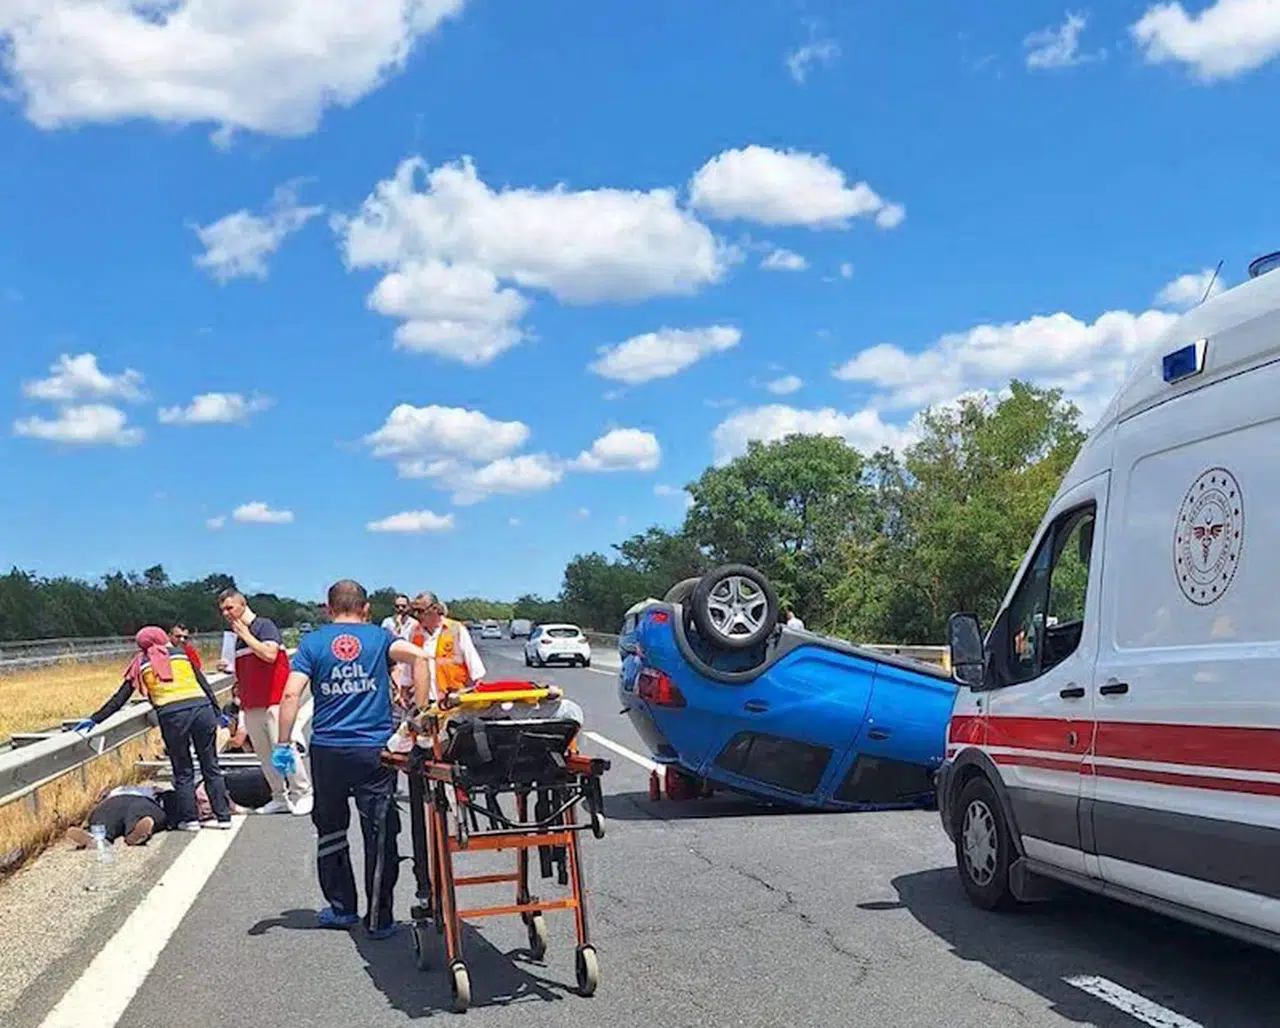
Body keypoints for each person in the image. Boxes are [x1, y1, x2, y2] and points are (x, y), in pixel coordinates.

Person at [275, 578, 429, 937]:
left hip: (327, 749)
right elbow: (420, 657)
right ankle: (379, 918)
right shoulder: (380, 638)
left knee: (330, 830)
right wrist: (419, 715)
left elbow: (290, 696)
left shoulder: (312, 643)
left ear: (329, 610)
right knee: (379, 832)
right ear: (366, 608)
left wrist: (283, 743)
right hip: (374, 750)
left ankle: (343, 908)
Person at [71, 627, 233, 832]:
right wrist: (217, 713)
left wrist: (95, 719)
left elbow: (120, 699)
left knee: (183, 769)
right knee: (210, 765)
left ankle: (190, 820)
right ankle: (223, 817)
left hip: (173, 716)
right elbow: (203, 684)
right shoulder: (181, 655)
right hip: (202, 710)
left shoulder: (140, 663)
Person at [218, 588, 313, 816]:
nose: (226, 613)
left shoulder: (263, 626)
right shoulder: (237, 638)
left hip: (274, 701)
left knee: (284, 748)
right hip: (251, 703)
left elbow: (269, 654)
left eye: (230, 607)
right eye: (222, 610)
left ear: (243, 604)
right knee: (264, 755)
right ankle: (279, 796)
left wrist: (247, 636)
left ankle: (302, 792)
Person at [409, 591, 486, 704]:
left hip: (452, 698)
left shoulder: (456, 629)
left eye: (420, 611)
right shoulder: (414, 633)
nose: (416, 616)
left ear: (435, 609)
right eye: (414, 611)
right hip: (424, 700)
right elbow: (408, 666)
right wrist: (404, 689)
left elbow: (473, 663)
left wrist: (477, 687)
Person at [380, 594, 419, 721]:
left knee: (409, 700)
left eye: (403, 606)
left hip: (408, 665)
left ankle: (409, 723)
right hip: (392, 666)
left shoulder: (414, 624)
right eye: (397, 606)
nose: (400, 609)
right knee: (394, 699)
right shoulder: (387, 623)